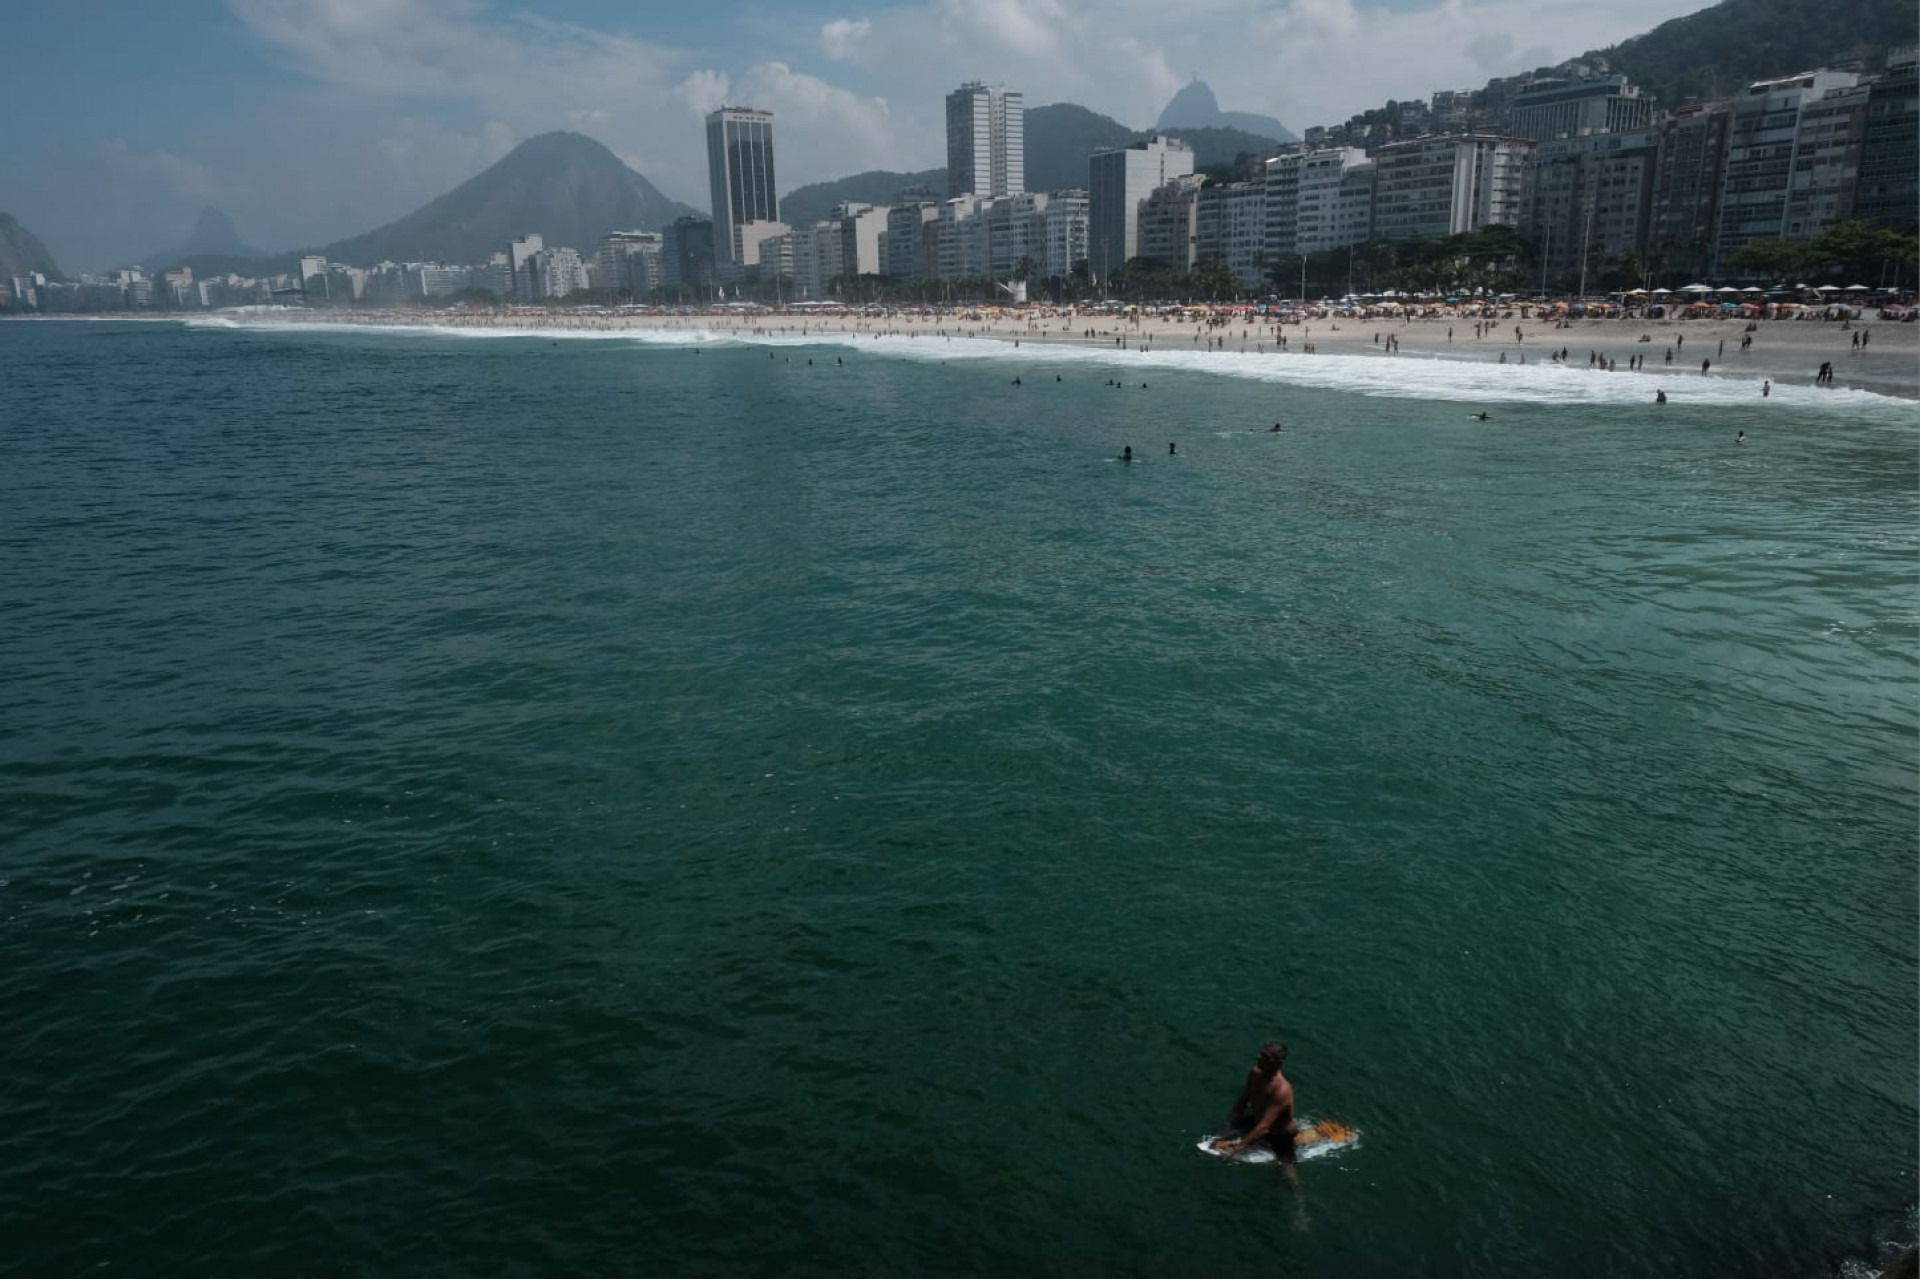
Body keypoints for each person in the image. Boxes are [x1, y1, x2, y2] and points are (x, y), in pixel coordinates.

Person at [1215, 1041, 1301, 1187]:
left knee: (1287, 1172)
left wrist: (1235, 1151)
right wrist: (1229, 1123)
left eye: (1265, 1056)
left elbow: (1264, 1127)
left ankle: (1300, 1205)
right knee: (1222, 1130)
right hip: (1257, 1121)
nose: (1258, 1057)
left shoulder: (1281, 1090)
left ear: (1278, 1061)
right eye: (1260, 1054)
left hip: (1279, 1135)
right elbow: (1243, 1100)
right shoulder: (1254, 1073)